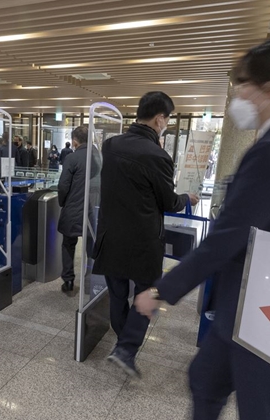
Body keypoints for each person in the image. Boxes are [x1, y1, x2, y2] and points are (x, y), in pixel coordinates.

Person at [134, 36, 270, 420]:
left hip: (268, 316)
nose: (239, 94)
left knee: (262, 410)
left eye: (245, 84)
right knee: (205, 378)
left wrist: (162, 290)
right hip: (251, 308)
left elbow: (228, 237)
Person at [93, 91, 199, 378]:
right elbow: (168, 202)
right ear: (159, 118)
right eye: (167, 119)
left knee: (117, 296)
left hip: (110, 236)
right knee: (148, 294)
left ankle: (122, 343)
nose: (166, 124)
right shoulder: (158, 156)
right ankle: (126, 349)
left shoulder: (111, 145)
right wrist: (187, 198)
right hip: (142, 242)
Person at [57, 126, 101, 292]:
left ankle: (68, 281)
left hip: (74, 208)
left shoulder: (72, 158)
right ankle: (90, 280)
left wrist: (63, 203)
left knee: (68, 244)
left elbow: (63, 186)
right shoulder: (99, 156)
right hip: (94, 208)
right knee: (91, 245)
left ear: (75, 141)